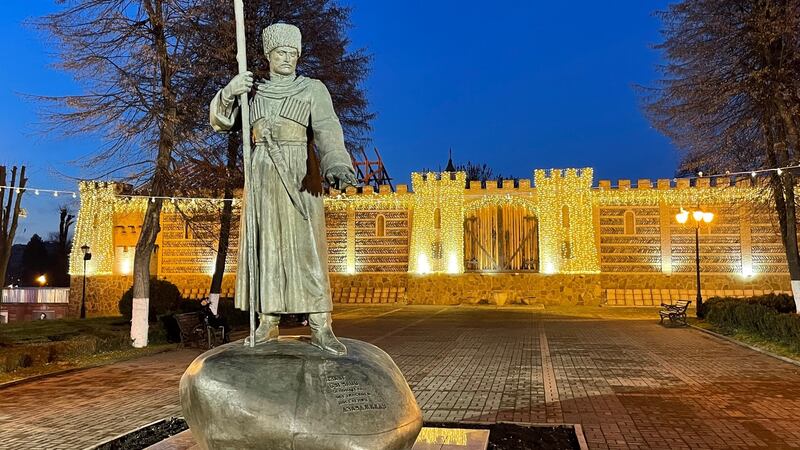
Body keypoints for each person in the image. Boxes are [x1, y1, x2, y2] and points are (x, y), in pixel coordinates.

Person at [210, 23, 357, 355]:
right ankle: (268, 321)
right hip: (262, 177)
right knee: (268, 249)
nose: (288, 59)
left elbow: (328, 129)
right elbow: (219, 122)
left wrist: (336, 164)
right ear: (268, 55)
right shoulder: (253, 91)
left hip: (300, 176)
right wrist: (231, 91)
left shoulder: (312, 89)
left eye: (293, 53)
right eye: (281, 53)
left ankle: (321, 325)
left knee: (309, 251)